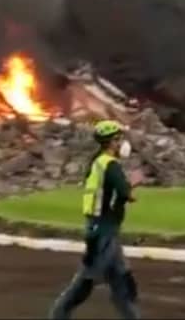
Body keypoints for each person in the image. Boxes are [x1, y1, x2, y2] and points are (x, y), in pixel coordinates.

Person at [48, 119, 140, 320]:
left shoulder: (96, 161)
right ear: (112, 142)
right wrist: (133, 184)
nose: (122, 143)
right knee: (86, 282)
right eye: (118, 138)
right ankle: (58, 315)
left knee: (123, 284)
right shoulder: (110, 165)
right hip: (104, 231)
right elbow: (126, 194)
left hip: (103, 229)